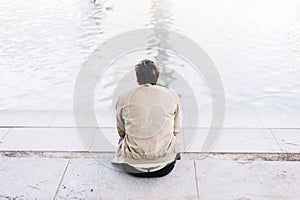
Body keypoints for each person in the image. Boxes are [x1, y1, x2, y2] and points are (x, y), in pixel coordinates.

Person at [111, 59, 182, 178]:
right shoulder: (171, 95)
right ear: (157, 77)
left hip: (132, 167)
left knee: (123, 138)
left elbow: (121, 131)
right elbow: (175, 130)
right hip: (165, 166)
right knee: (172, 139)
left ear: (137, 79)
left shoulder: (123, 97)